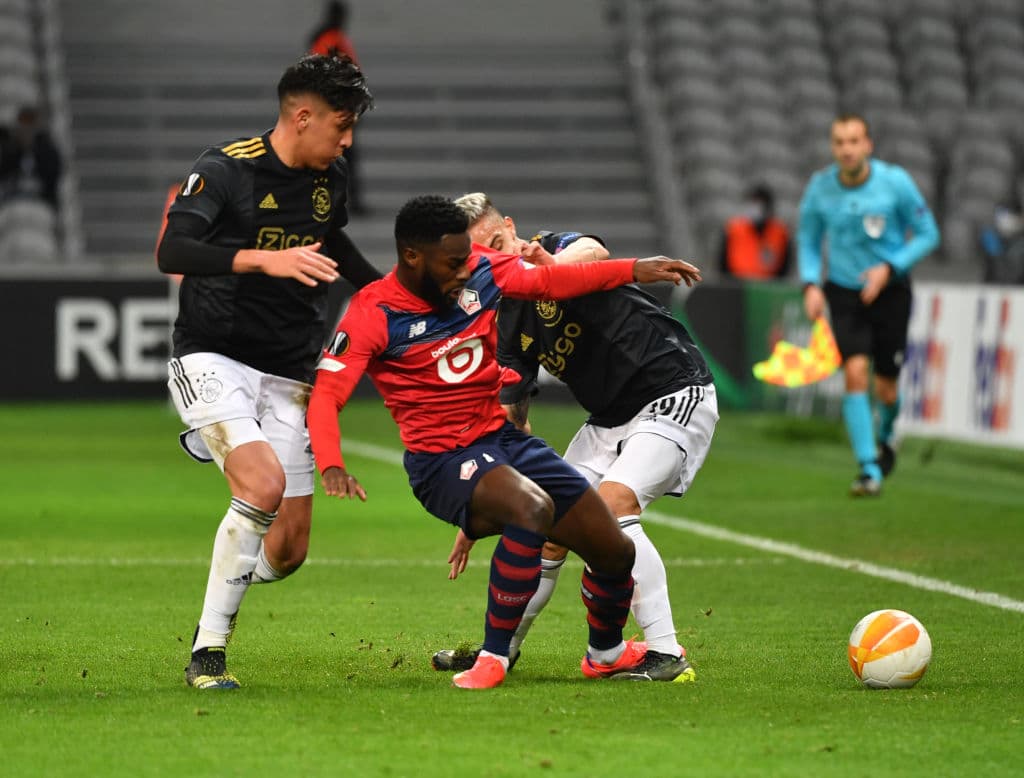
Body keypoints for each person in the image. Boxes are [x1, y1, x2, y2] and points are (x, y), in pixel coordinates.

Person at [306, 194, 703, 689]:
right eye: (452, 263)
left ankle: (607, 652)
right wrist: (331, 462)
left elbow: (553, 281)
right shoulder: (373, 311)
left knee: (614, 549)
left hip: (502, 442)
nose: (464, 271)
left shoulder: (481, 268)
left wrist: (633, 269)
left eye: (466, 258)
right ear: (412, 256)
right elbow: (326, 396)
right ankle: (493, 657)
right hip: (441, 461)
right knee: (530, 509)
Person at [156, 54, 379, 690]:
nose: (348, 141)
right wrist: (262, 259)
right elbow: (173, 250)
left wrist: (387, 295)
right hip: (212, 354)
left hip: (290, 370)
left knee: (287, 551)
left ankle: (229, 564)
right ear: (302, 117)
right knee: (262, 485)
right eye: (341, 125)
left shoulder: (330, 176)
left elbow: (333, 241)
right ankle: (208, 653)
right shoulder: (225, 169)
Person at [428, 192, 717, 682]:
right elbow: (512, 421)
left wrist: (549, 268)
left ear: (511, 228)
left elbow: (594, 251)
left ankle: (665, 652)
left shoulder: (549, 248)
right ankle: (499, 650)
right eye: (481, 257)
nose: (498, 258)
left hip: (673, 391)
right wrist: (484, 505)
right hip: (608, 420)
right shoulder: (507, 318)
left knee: (612, 508)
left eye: (498, 243)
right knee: (543, 521)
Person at [797, 112, 940, 497]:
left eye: (853, 141)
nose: (846, 149)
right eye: (839, 142)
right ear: (833, 147)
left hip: (891, 291)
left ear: (868, 145)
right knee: (855, 372)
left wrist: (889, 267)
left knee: (887, 390)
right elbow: (808, 240)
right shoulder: (820, 189)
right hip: (844, 293)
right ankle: (868, 468)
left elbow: (928, 233)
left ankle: (887, 432)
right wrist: (810, 284)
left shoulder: (895, 183)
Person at [307, 1, 366, 214]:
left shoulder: (330, 38)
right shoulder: (331, 39)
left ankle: (340, 201)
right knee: (341, 157)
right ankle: (343, 201)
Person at [718, 183, 792, 281]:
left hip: (768, 285)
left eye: (760, 204)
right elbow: (722, 264)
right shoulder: (733, 229)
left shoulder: (780, 232)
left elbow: (785, 266)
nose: (756, 209)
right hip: (737, 284)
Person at [0, 105, 62, 210]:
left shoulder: (47, 151)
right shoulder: (10, 150)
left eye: (29, 125)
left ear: (36, 126)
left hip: (41, 201)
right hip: (11, 200)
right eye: (22, 125)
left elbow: (53, 178)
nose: (25, 129)